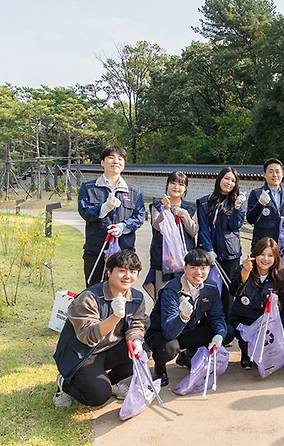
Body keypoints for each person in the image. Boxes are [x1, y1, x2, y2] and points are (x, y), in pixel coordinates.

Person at [53, 250, 148, 407]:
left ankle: (108, 383)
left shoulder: (136, 297)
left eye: (133, 271)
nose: (127, 276)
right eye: (122, 271)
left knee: (142, 353)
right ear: (109, 272)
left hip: (110, 348)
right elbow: (88, 336)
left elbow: (137, 323)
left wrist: (135, 340)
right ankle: (65, 382)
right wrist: (115, 316)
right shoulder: (89, 298)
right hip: (83, 353)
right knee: (97, 397)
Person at [146, 249, 229, 386]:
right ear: (184, 268)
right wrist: (182, 316)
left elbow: (217, 316)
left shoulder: (211, 287)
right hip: (163, 334)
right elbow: (168, 331)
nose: (198, 273)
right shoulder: (171, 291)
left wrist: (219, 335)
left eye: (203, 268)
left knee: (226, 331)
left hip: (190, 329)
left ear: (209, 269)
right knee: (169, 348)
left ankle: (187, 356)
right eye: (193, 268)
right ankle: (160, 369)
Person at [78, 146, 145, 286]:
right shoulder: (89, 188)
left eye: (120, 158)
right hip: (96, 250)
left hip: (124, 252)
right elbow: (85, 212)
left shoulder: (133, 191)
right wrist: (103, 208)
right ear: (102, 162)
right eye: (111, 157)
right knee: (94, 290)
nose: (116, 161)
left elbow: (139, 216)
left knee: (121, 291)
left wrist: (123, 227)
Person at [228, 237, 284, 369]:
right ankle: (245, 351)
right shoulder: (243, 269)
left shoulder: (279, 276)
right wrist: (245, 273)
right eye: (262, 254)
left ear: (276, 258)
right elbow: (233, 291)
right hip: (243, 319)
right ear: (254, 255)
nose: (265, 259)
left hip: (266, 321)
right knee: (240, 336)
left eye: (270, 255)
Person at [197, 167, 246, 313]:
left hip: (231, 253)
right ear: (219, 179)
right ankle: (209, 320)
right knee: (209, 288)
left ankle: (227, 325)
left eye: (233, 180)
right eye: (226, 178)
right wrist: (209, 249)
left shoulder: (238, 201)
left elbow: (235, 226)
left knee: (229, 290)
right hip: (210, 252)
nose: (229, 183)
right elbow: (203, 228)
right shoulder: (204, 202)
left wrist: (237, 209)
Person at [144, 171, 198, 300]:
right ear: (167, 185)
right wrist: (165, 210)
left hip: (185, 259)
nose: (176, 187)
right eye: (173, 183)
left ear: (185, 188)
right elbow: (157, 227)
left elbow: (194, 231)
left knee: (184, 297)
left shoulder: (191, 208)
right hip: (162, 259)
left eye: (181, 184)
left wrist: (184, 214)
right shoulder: (157, 206)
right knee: (162, 297)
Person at [246, 158, 284, 251]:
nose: (275, 175)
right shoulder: (256, 193)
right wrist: (260, 203)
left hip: (282, 246)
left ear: (282, 174)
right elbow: (250, 219)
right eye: (271, 172)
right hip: (262, 245)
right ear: (264, 175)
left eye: (277, 171)